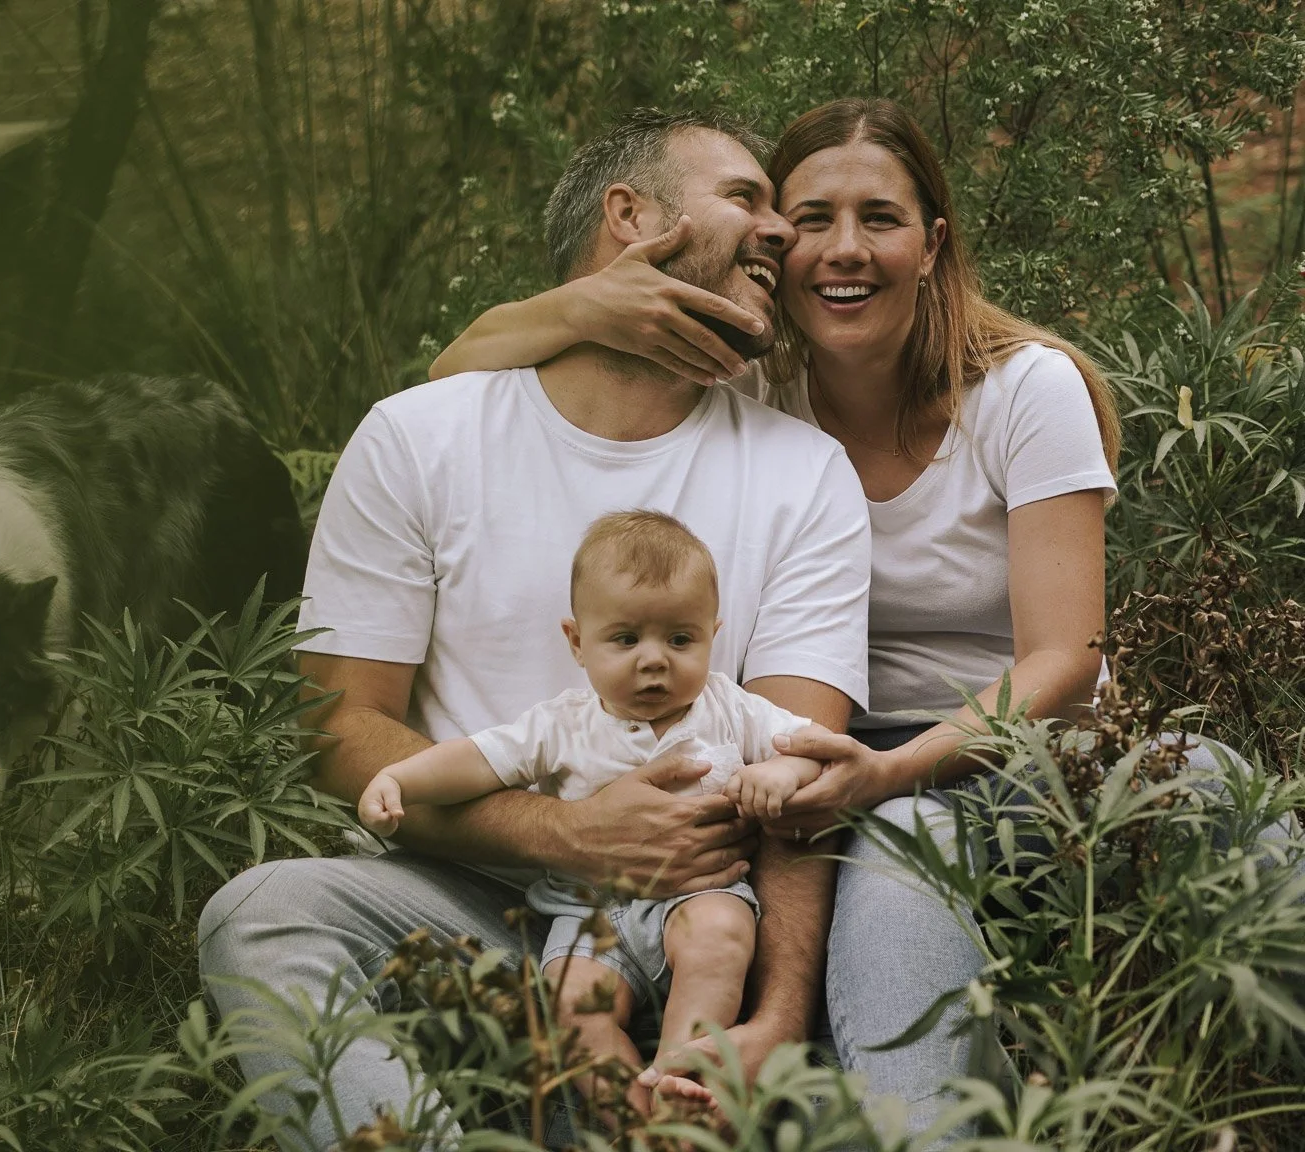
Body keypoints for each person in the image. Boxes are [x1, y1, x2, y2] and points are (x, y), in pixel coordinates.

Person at [428, 97, 1125, 1141]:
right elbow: (452, 374)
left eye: (879, 219)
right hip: (809, 751)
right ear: (772, 246)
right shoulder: (755, 388)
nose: (841, 251)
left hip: (1008, 754)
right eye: (808, 220)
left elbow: (1066, 657)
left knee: (901, 840)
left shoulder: (1024, 390)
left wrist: (889, 772)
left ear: (932, 245)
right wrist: (582, 309)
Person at [196, 107, 872, 1152]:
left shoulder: (799, 470)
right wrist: (564, 833)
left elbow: (799, 769)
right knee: (260, 914)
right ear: (629, 218)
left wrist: (772, 1014)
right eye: (744, 199)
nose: (779, 232)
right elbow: (338, 729)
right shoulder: (421, 437)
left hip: (702, 919)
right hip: (464, 901)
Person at [357, 510, 833, 1104]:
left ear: (714, 633)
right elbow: (478, 760)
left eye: (680, 639)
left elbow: (813, 746)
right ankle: (631, 1119)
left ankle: (678, 1078)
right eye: (626, 639)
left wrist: (780, 771)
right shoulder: (563, 725)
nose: (654, 659)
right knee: (571, 1005)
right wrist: (402, 778)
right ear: (578, 642)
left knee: (720, 936)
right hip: (588, 915)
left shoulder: (730, 708)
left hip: (700, 895)